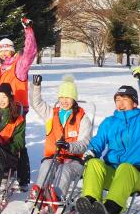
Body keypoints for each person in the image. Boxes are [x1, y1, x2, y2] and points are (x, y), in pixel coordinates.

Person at [75, 67, 140, 214]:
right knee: (95, 163)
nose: (120, 103)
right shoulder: (110, 122)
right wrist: (91, 151)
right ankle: (90, 203)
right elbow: (98, 141)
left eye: (124, 99)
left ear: (135, 102)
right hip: (114, 174)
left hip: (138, 177)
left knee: (125, 168)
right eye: (117, 99)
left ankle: (111, 209)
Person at [29, 74, 92, 203]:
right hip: (54, 156)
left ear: (74, 99)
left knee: (65, 169)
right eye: (61, 97)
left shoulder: (83, 118)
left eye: (67, 97)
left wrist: (69, 146)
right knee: (47, 165)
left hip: (74, 160)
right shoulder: (52, 114)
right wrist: (36, 87)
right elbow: (36, 103)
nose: (64, 101)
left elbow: (84, 143)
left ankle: (57, 196)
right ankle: (39, 191)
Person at [0, 17, 37, 190]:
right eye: (1, 51)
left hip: (17, 109)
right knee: (2, 140)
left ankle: (23, 177)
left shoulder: (19, 65)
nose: (4, 53)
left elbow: (30, 52)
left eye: (7, 50)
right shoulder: (1, 68)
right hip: (1, 109)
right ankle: (3, 171)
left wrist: (28, 30)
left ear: (12, 51)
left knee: (17, 143)